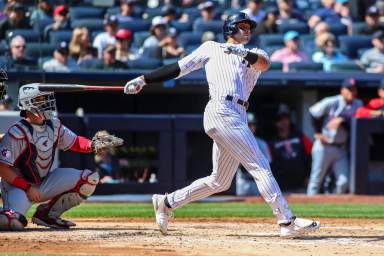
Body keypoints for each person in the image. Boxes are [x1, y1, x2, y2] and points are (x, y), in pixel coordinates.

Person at [124, 13, 320, 237]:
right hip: (221, 109)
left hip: (239, 112)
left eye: (249, 28)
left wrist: (243, 53)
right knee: (259, 164)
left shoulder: (256, 53)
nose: (247, 31)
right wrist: (143, 79)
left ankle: (167, 202)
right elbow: (179, 68)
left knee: (220, 181)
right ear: (229, 29)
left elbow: (264, 64)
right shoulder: (211, 47)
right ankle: (286, 221)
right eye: (242, 27)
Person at [0, 84, 100, 230]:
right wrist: (27, 188)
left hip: (43, 182)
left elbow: (75, 142)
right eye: (41, 101)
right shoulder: (17, 133)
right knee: (13, 223)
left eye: (45, 100)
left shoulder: (54, 125)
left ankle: (47, 215)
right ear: (29, 105)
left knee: (89, 180)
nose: (46, 104)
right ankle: (8, 213)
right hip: (18, 187)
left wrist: (92, 145)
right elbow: (2, 169)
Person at [307, 78, 363, 195]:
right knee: (316, 181)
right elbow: (312, 112)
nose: (351, 92)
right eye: (349, 89)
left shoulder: (358, 104)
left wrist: (342, 119)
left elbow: (360, 120)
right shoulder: (331, 101)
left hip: (341, 148)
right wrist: (317, 133)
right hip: (324, 146)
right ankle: (307, 209)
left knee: (344, 182)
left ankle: (332, 207)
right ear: (342, 90)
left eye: (353, 90)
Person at [269, 105, 312, 191]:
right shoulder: (272, 143)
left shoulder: (300, 136)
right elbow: (269, 164)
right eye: (280, 119)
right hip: (281, 187)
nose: (283, 122)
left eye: (286, 118)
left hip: (301, 184)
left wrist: (308, 176)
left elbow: (311, 155)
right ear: (275, 123)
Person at [236, 112, 271, 196]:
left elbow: (269, 161)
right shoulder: (236, 142)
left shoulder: (262, 143)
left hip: (258, 182)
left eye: (252, 124)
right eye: (248, 124)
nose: (250, 127)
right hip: (243, 181)